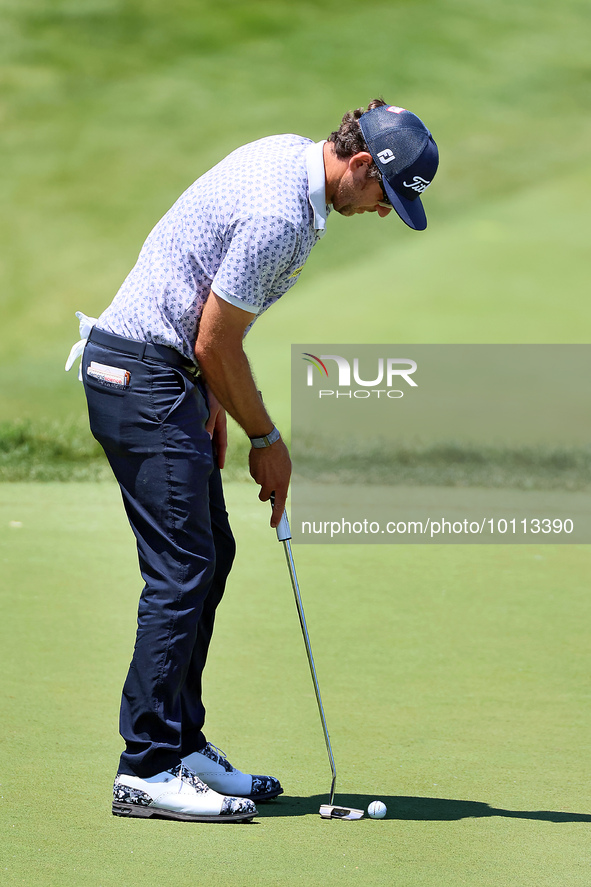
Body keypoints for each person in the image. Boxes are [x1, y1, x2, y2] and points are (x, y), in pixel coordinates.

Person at [66, 99, 439, 823]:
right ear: (360, 164)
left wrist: (209, 394)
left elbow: (204, 316)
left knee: (210, 552)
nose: (383, 211)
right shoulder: (280, 217)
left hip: (163, 373)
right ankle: (145, 766)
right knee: (181, 568)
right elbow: (215, 339)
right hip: (140, 375)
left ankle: (180, 741)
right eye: (385, 196)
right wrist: (266, 440)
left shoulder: (286, 155)